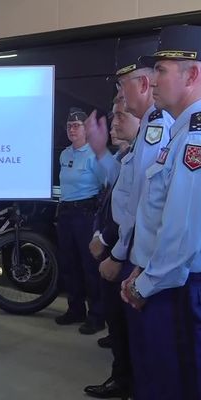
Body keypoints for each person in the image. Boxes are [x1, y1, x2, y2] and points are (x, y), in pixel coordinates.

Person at [85, 36, 174, 399]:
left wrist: (118, 254)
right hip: (133, 248)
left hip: (141, 253)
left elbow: (144, 205)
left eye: (122, 91)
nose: (120, 101)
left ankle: (129, 383)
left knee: (146, 342)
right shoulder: (151, 130)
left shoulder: (156, 130)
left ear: (142, 84)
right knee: (134, 338)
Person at [120, 24, 201, 400]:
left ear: (193, 76)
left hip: (176, 286)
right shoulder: (181, 132)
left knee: (168, 382)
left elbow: (181, 232)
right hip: (165, 278)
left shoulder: (194, 139)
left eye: (163, 71)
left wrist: (143, 284)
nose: (152, 81)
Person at [84, 95, 141, 400]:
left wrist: (106, 241)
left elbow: (131, 211)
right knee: (117, 323)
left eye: (121, 116)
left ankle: (123, 381)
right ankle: (122, 372)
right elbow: (110, 196)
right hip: (113, 247)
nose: (114, 123)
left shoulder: (143, 154)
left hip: (125, 252)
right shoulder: (125, 156)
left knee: (125, 324)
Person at [55, 108, 106, 335]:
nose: (72, 129)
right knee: (69, 265)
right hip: (65, 213)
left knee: (90, 267)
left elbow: (106, 186)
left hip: (86, 214)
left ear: (86, 129)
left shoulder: (93, 155)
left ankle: (97, 316)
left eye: (77, 126)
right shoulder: (65, 154)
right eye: (69, 126)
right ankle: (75, 309)